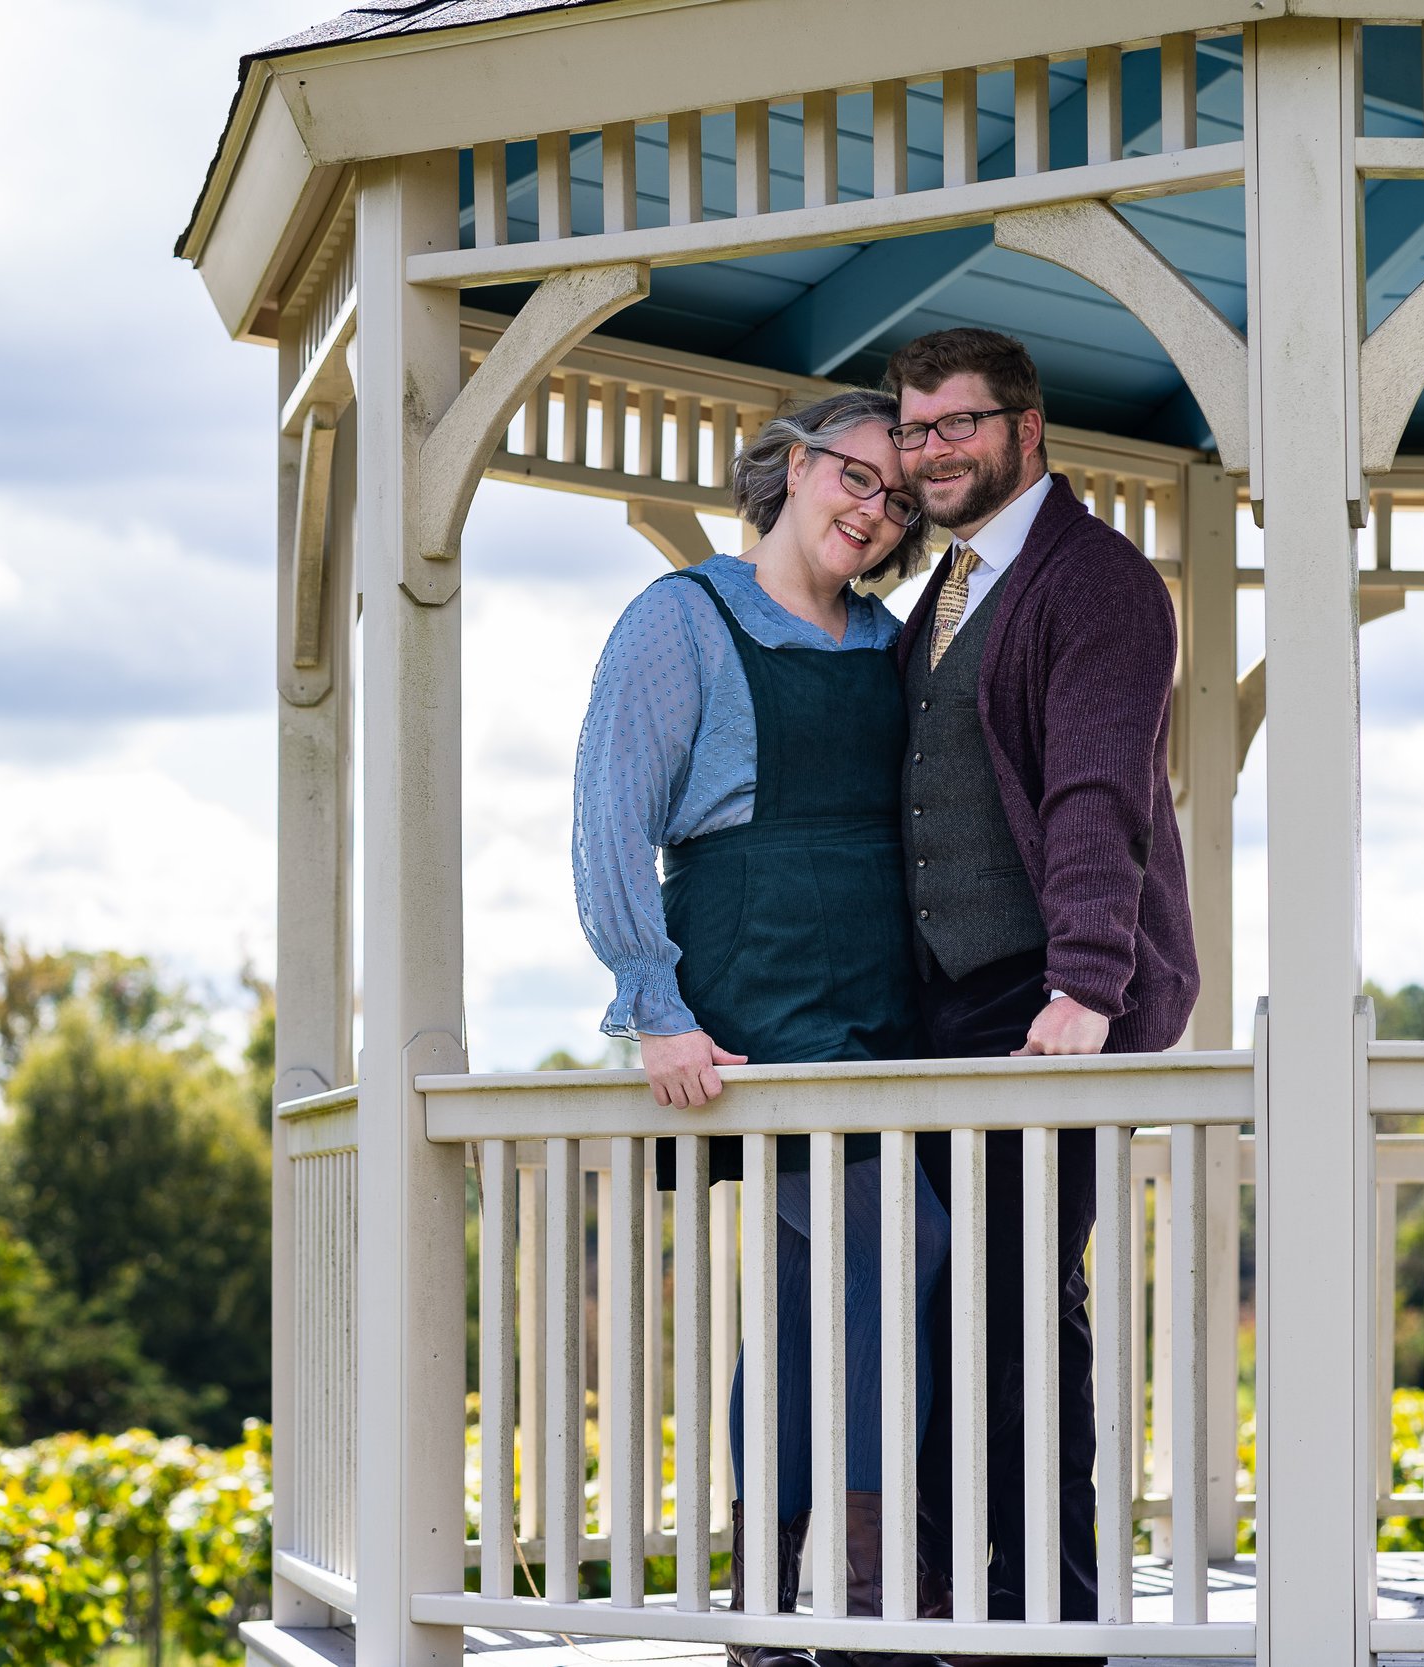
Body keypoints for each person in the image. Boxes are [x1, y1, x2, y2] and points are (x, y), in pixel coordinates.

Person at [572, 389, 947, 1667]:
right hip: (754, 993)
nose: (874, 511)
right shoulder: (680, 618)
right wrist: (654, 1005)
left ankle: (773, 1601)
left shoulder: (886, 639)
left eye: (899, 502)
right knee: (896, 1243)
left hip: (878, 998)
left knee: (808, 1291)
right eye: (856, 477)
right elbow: (608, 818)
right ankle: (841, 1579)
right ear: (790, 467)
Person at [883, 328, 1199, 1667]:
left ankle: (1052, 1620)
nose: (934, 449)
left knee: (1019, 1302)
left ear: (1031, 429)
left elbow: (1095, 793)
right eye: (915, 428)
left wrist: (1081, 984)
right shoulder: (939, 593)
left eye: (961, 423)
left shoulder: (1099, 584)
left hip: (1050, 996)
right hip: (947, 1002)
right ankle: (965, 1599)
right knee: (947, 1304)